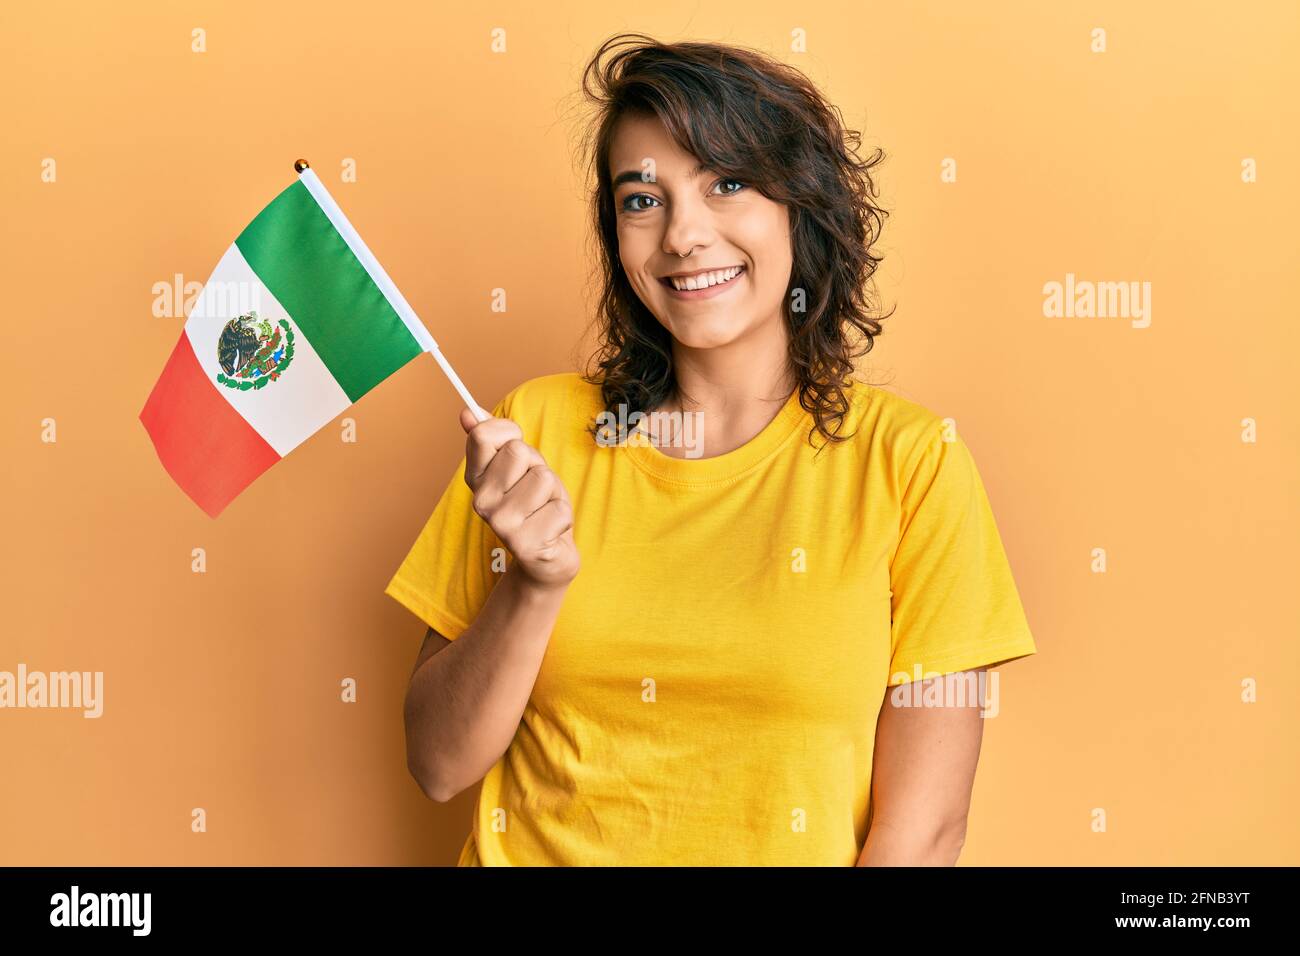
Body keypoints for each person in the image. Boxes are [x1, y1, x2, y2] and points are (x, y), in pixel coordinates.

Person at [384, 33, 1037, 866]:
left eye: (727, 183)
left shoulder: (913, 463)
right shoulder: (532, 434)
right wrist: (534, 585)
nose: (683, 236)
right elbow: (437, 765)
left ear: (802, 205)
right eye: (642, 199)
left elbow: (923, 831)